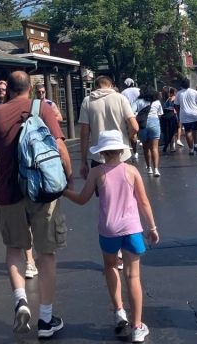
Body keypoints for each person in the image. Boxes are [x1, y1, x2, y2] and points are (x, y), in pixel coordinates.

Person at [0, 71, 70, 339]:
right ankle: (46, 319)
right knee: (46, 254)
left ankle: (20, 299)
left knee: (14, 249)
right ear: (30, 89)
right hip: (42, 192)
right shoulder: (41, 108)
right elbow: (59, 147)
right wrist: (66, 179)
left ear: (7, 89)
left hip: (10, 191)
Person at [63, 130, 159, 343]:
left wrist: (64, 191)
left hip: (108, 229)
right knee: (133, 277)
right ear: (121, 149)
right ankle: (137, 327)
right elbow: (143, 202)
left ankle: (118, 311)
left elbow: (82, 199)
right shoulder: (132, 171)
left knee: (111, 267)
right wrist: (151, 227)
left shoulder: (96, 173)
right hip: (131, 228)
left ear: (102, 153)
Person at [78, 75, 139, 181]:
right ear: (111, 86)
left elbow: (84, 134)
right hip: (122, 154)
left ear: (95, 87)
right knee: (127, 191)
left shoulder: (87, 101)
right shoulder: (120, 98)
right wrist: (125, 138)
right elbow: (134, 127)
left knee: (104, 194)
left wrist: (84, 161)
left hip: (99, 157)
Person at [132, 87, 163, 177]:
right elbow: (160, 114)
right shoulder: (157, 101)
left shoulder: (138, 101)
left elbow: (131, 111)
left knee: (145, 147)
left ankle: (149, 167)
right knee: (154, 148)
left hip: (143, 124)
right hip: (154, 123)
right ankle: (156, 169)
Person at [174, 76, 197, 154]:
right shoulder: (194, 92)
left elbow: (176, 105)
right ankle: (196, 145)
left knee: (188, 131)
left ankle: (191, 149)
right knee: (196, 129)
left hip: (184, 115)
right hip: (195, 114)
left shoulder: (179, 93)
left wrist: (178, 114)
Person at [120, 79, 141, 161]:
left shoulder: (123, 93)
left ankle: (132, 150)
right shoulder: (138, 90)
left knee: (130, 133)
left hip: (128, 115)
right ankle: (136, 150)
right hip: (139, 113)